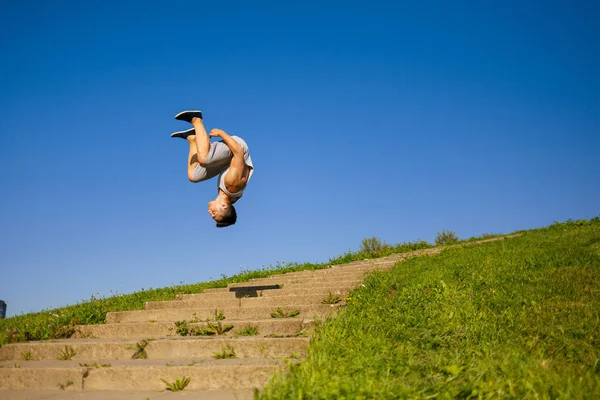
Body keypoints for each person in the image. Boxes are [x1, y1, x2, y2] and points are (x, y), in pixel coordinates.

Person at [171, 110, 254, 227]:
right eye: (214, 213)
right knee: (204, 159)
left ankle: (193, 138)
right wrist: (222, 134)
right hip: (237, 148)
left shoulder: (228, 198)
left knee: (193, 176)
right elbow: (239, 152)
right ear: (224, 206)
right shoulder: (232, 184)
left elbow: (230, 213)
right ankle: (196, 119)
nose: (209, 212)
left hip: (229, 163)